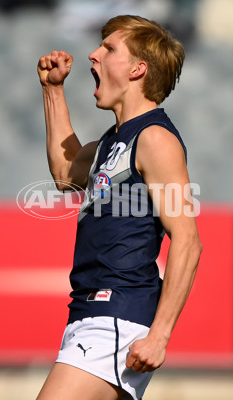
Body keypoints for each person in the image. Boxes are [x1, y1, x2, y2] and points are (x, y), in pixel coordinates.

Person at [36, 15, 202, 400]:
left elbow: (188, 241)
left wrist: (159, 337)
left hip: (118, 316)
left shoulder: (155, 139)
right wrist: (52, 91)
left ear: (137, 69)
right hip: (87, 314)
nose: (93, 55)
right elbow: (66, 174)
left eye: (109, 49)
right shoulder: (110, 142)